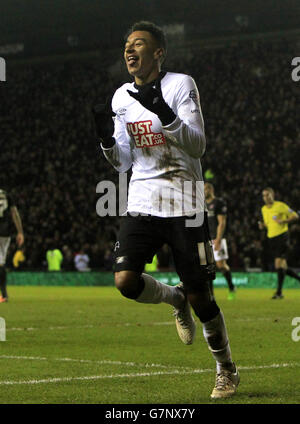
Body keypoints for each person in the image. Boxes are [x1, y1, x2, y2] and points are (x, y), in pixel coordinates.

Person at [93, 21, 239, 398]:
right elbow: (123, 162)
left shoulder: (180, 85)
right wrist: (108, 142)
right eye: (127, 45)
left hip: (185, 201)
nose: (129, 50)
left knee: (201, 297)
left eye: (139, 44)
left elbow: (198, 145)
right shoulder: (121, 96)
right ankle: (172, 298)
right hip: (142, 199)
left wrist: (164, 111)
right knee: (125, 281)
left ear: (158, 53)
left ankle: (225, 368)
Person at [259, 187, 299, 299]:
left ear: (273, 195)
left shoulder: (280, 206)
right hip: (271, 238)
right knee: (283, 267)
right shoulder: (263, 209)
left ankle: (279, 292)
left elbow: (295, 215)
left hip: (282, 236)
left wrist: (284, 221)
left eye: (267, 195)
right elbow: (268, 224)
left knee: (278, 264)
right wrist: (263, 226)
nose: (265, 197)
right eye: (263, 195)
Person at [204, 182, 236, 300]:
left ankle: (232, 287)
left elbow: (222, 222)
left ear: (211, 190)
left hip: (217, 238)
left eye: (206, 188)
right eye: (203, 189)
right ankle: (211, 295)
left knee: (221, 265)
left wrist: (218, 239)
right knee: (207, 267)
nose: (204, 191)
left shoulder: (218, 203)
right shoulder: (201, 205)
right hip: (205, 239)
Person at [0, 188, 24, 302]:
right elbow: (14, 213)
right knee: (1, 261)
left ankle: (4, 295)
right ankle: (4, 294)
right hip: (5, 232)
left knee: (0, 263)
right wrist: (20, 232)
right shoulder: (6, 194)